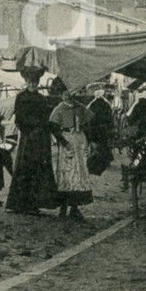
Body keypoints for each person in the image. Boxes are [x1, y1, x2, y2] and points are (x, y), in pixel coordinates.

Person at [5, 67, 60, 215]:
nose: (32, 84)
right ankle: (20, 204)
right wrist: (30, 129)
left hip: (42, 138)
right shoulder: (21, 97)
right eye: (30, 82)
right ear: (26, 82)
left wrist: (46, 128)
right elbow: (19, 118)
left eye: (35, 82)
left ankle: (35, 203)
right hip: (29, 138)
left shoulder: (43, 99)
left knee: (40, 168)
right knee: (26, 168)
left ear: (38, 83)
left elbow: (48, 117)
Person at [50, 88, 95, 220]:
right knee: (66, 174)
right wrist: (63, 142)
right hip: (67, 142)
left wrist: (90, 138)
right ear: (61, 95)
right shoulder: (59, 109)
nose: (68, 97)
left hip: (80, 142)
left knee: (79, 175)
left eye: (70, 93)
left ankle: (74, 208)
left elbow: (90, 122)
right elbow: (53, 127)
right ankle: (63, 209)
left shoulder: (80, 108)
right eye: (65, 94)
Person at [85, 89, 114, 176]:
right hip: (103, 129)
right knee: (104, 144)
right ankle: (106, 161)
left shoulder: (92, 104)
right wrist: (110, 127)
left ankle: (95, 162)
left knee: (95, 144)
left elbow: (88, 117)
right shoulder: (106, 104)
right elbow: (110, 117)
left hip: (94, 129)